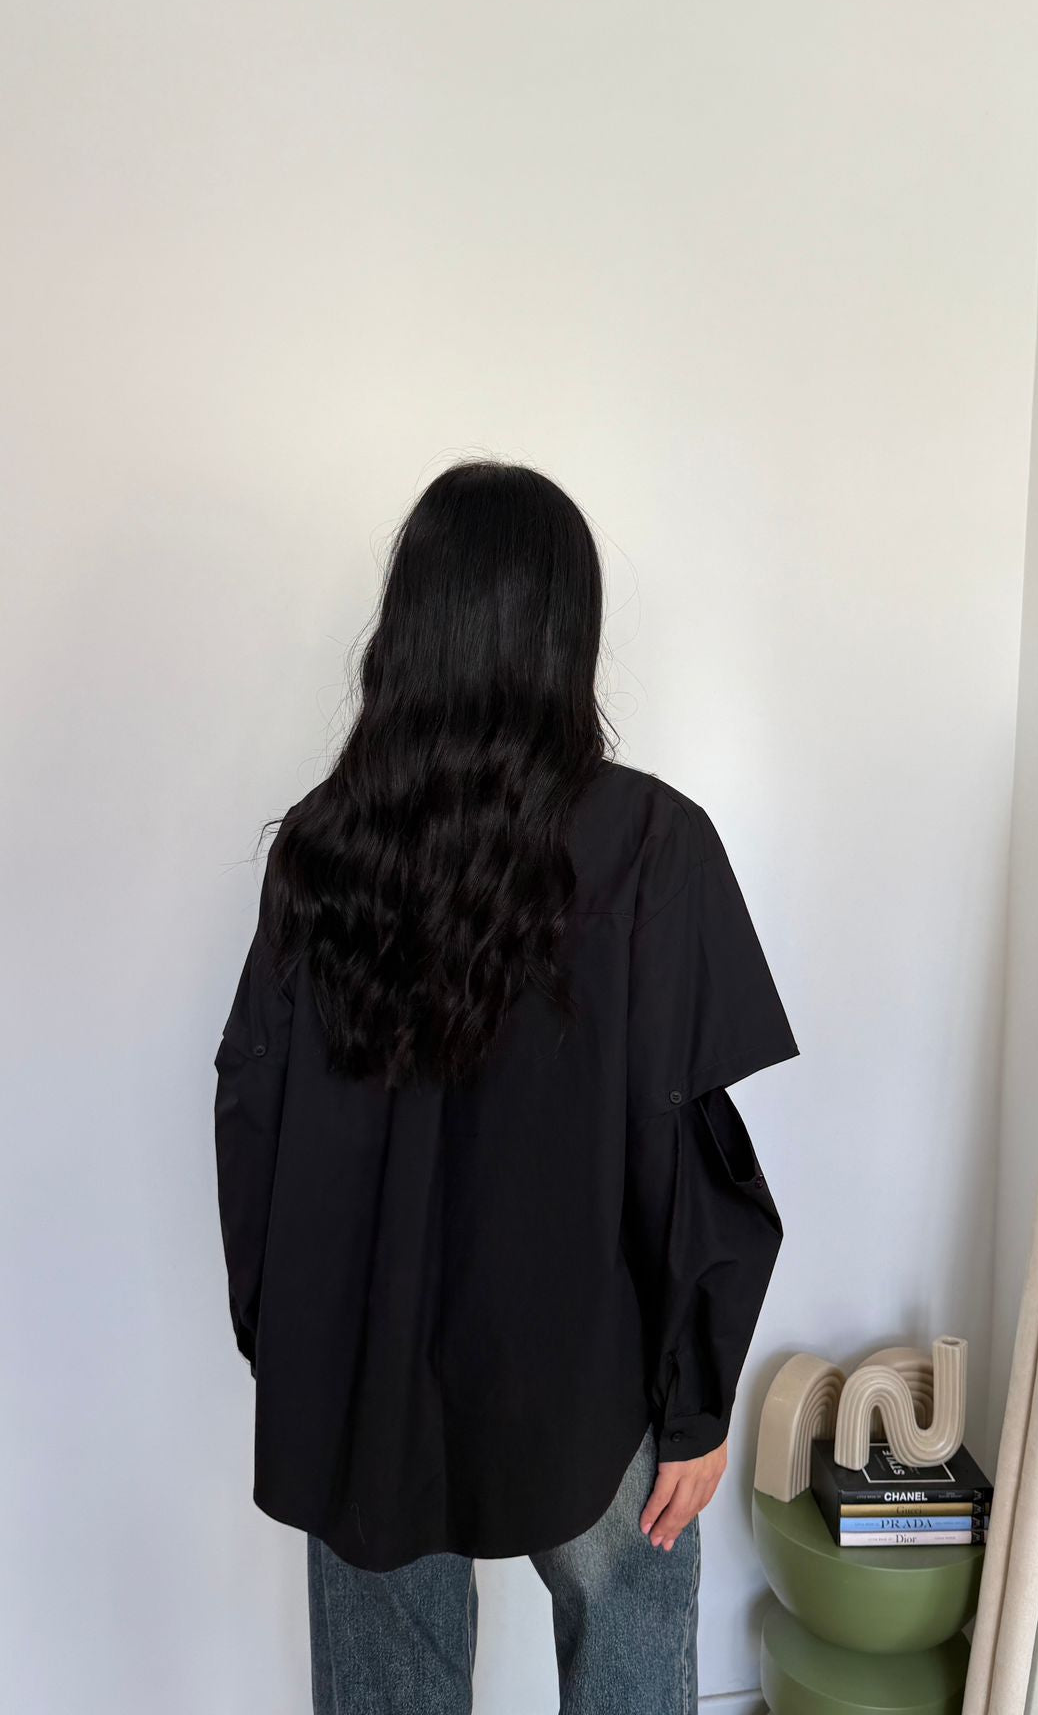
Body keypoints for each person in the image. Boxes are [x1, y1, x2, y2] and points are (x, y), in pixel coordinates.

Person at [212, 458, 799, 1715]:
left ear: (410, 625)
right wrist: (694, 1405)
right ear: (565, 632)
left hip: (368, 1366)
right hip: (591, 1373)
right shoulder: (654, 846)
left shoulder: (323, 850)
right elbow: (691, 1146)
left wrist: (293, 1345)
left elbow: (252, 1114)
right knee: (630, 1639)